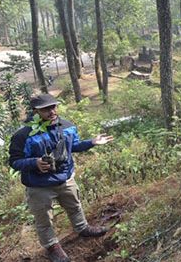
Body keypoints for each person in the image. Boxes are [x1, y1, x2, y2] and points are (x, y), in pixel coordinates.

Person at [8, 94, 113, 262]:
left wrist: (91, 142)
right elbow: (14, 161)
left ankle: (82, 228)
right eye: (46, 109)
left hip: (65, 178)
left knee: (75, 205)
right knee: (43, 218)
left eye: (54, 107)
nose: (52, 111)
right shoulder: (23, 135)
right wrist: (34, 163)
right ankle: (52, 246)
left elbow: (74, 146)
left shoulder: (67, 126)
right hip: (39, 186)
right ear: (35, 111)